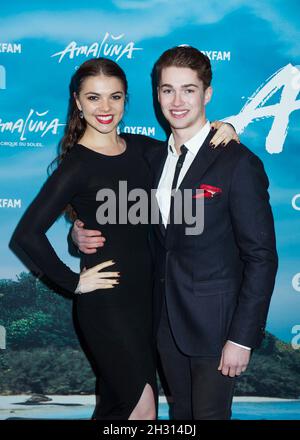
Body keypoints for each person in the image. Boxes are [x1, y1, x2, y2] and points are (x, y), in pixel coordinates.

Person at [10, 56, 237, 420]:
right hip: (107, 304)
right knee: (141, 409)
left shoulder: (146, 150)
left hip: (150, 303)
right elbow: (26, 236)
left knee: (119, 409)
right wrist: (73, 282)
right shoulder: (77, 165)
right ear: (78, 101)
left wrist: (223, 128)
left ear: (126, 100)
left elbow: (190, 149)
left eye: (115, 97)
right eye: (94, 97)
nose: (105, 108)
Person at [73, 47, 278, 420]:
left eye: (188, 89)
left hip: (216, 331)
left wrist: (241, 338)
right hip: (161, 323)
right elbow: (99, 179)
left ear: (207, 93)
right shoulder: (148, 155)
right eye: (167, 90)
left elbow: (261, 257)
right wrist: (78, 229)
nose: (177, 101)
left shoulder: (237, 163)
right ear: (157, 94)